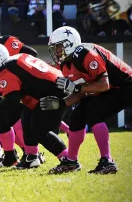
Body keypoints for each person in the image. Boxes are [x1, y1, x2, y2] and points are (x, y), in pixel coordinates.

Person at [41, 26, 132, 174]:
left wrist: (76, 88)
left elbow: (103, 85)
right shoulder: (66, 64)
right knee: (77, 116)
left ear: (69, 43)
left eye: (58, 47)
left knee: (94, 111)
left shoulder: (86, 54)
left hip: (125, 86)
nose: (56, 51)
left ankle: (107, 161)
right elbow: (82, 92)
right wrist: (61, 103)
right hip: (107, 89)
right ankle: (71, 161)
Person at [0, 43, 68, 169]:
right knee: (26, 120)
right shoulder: (15, 59)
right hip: (54, 87)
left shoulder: (4, 71)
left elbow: (12, 101)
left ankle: (68, 159)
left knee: (39, 129)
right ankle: (31, 158)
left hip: (53, 93)